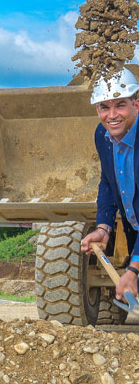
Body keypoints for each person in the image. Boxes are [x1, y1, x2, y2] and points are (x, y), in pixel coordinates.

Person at [81, 67, 139, 303]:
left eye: (120, 105)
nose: (112, 115)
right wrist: (104, 227)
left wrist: (134, 269)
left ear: (136, 104)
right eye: (104, 107)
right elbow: (107, 181)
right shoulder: (102, 135)